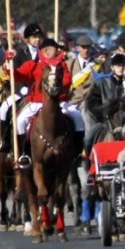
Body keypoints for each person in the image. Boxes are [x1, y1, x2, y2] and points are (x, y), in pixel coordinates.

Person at [11, 38, 85, 170]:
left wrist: (56, 83)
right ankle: (25, 153)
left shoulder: (61, 66)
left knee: (78, 118)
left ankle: (78, 154)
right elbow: (18, 76)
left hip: (59, 101)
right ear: (45, 51)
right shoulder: (33, 65)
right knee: (20, 121)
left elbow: (67, 81)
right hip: (37, 102)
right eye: (54, 49)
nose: (57, 51)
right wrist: (9, 65)